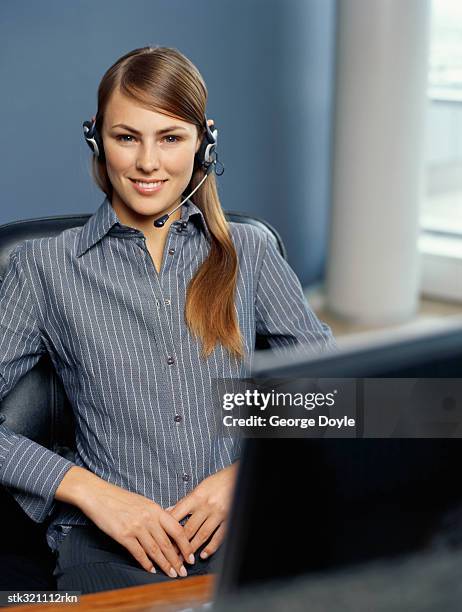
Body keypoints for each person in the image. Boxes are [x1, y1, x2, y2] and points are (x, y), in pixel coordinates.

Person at [0, 46, 336, 594]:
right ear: (96, 139)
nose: (148, 163)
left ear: (205, 141)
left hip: (247, 528)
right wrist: (87, 489)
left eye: (171, 137)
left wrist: (240, 476)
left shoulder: (248, 251)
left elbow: (342, 397)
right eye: (126, 137)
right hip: (111, 548)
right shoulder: (45, 267)